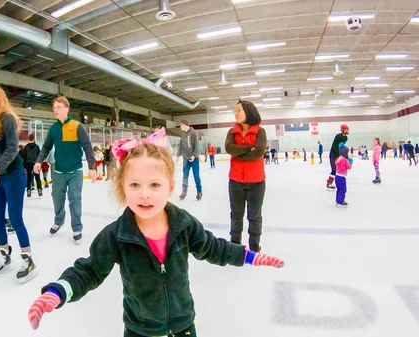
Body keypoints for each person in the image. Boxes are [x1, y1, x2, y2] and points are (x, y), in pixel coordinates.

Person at [27, 132, 284, 336]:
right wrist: (59, 291)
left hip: (184, 327)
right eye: (135, 185)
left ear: (170, 187)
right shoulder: (116, 234)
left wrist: (249, 256)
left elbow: (214, 248)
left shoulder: (183, 224)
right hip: (140, 330)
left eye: (154, 185)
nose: (145, 193)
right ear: (123, 187)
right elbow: (89, 270)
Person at [0, 86, 36, 281]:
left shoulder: (8, 119)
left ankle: (28, 259)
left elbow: (12, 148)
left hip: (12, 175)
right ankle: (5, 253)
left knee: (15, 218)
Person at [33, 96, 96, 244]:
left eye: (58, 107)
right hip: (59, 171)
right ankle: (59, 221)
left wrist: (92, 167)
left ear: (67, 109)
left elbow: (87, 146)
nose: (55, 110)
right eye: (54, 108)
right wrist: (38, 161)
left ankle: (77, 227)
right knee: (57, 198)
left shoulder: (76, 126)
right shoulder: (54, 128)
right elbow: (46, 147)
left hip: (75, 170)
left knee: (74, 199)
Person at [224, 100, 267, 252]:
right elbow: (229, 148)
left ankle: (254, 246)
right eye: (234, 111)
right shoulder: (232, 132)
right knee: (236, 215)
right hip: (235, 181)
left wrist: (239, 152)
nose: (236, 113)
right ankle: (235, 245)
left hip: (256, 182)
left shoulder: (260, 131)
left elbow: (258, 152)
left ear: (249, 111)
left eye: (239, 110)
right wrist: (249, 148)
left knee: (254, 216)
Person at [177, 119, 202, 201]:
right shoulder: (183, 134)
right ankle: (184, 192)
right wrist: (178, 156)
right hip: (185, 159)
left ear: (184, 124)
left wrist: (194, 156)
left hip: (194, 159)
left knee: (196, 176)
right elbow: (180, 146)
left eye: (181, 125)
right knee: (185, 175)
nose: (180, 127)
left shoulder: (193, 133)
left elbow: (196, 145)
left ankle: (199, 191)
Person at [326, 124, 349, 190]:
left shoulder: (345, 138)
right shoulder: (338, 136)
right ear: (342, 130)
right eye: (345, 129)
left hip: (338, 155)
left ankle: (335, 182)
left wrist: (344, 154)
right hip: (333, 155)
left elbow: (342, 147)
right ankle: (329, 183)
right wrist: (340, 154)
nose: (347, 130)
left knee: (338, 170)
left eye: (347, 129)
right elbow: (335, 146)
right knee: (334, 170)